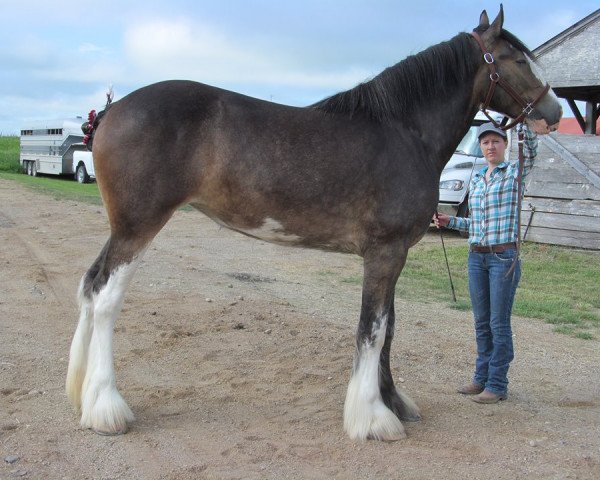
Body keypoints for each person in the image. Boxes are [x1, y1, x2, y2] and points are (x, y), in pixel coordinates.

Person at [433, 122, 538, 404]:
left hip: (504, 257)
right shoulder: (478, 178)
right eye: (485, 143)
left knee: (498, 323)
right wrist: (449, 220)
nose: (490, 147)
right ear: (480, 147)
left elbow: (530, 150)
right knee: (481, 322)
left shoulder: (516, 172)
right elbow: (475, 222)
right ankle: (481, 378)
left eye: (495, 141)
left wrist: (523, 121)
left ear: (505, 144)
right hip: (476, 256)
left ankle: (497, 384)